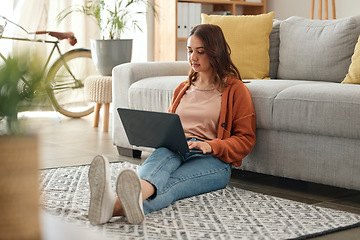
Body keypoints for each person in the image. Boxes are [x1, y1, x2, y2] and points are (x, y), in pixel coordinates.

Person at [87, 24, 256, 225]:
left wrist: (211, 145)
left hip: (212, 159)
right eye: (190, 51)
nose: (193, 57)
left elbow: (246, 140)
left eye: (200, 52)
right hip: (175, 148)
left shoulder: (235, 90)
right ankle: (116, 206)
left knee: (173, 184)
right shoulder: (182, 89)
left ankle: (111, 206)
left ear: (215, 52)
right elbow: (170, 125)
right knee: (153, 172)